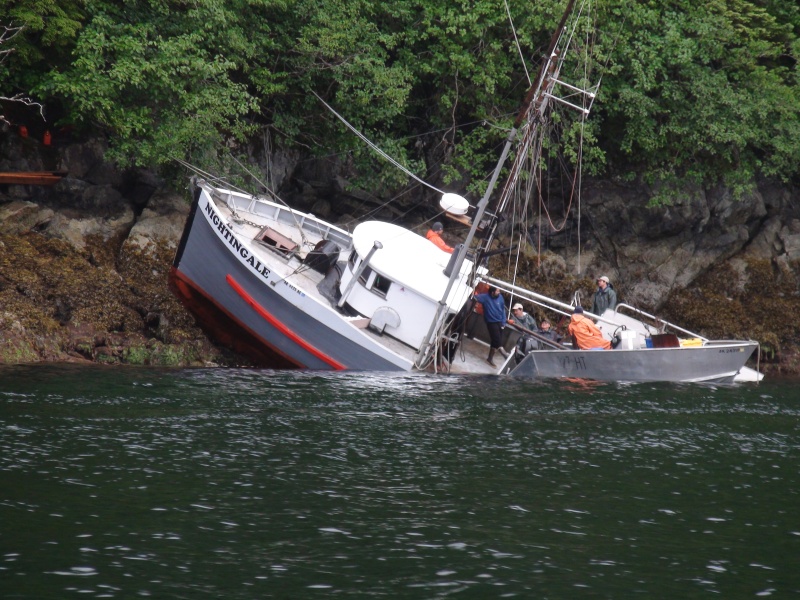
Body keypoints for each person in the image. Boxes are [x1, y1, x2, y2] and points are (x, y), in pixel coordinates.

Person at [474, 286, 509, 366]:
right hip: (491, 321)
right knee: (497, 340)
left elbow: (503, 310)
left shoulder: (500, 297)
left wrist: (503, 322)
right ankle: (504, 354)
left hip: (499, 321)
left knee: (495, 341)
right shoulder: (485, 297)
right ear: (492, 292)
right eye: (497, 291)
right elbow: (475, 297)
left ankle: (490, 358)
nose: (499, 293)